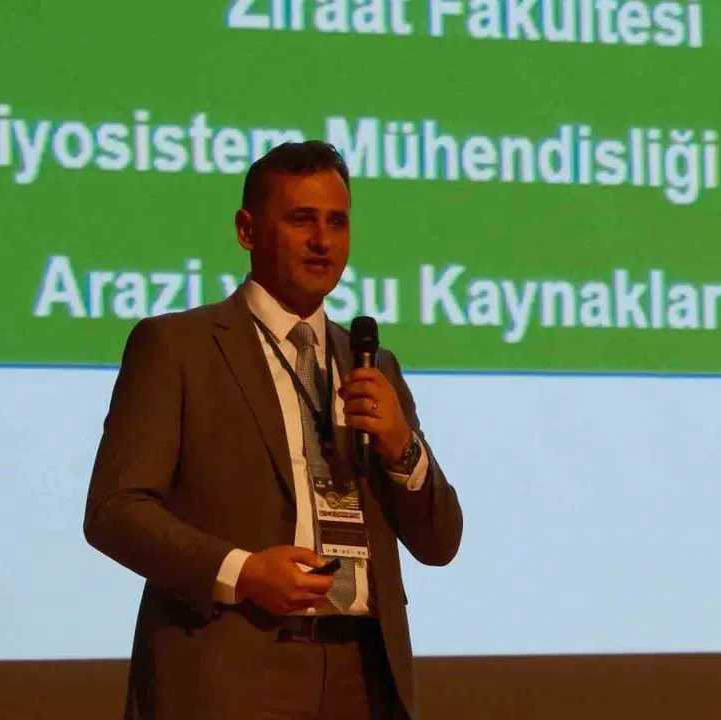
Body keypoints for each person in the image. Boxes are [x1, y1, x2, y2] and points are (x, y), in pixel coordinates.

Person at [83, 140, 463, 720]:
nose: (322, 241)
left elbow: (440, 542)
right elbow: (115, 510)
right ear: (247, 230)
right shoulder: (178, 347)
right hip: (231, 667)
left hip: (363, 674)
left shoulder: (371, 364)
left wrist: (400, 447)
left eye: (337, 222)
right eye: (301, 219)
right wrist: (243, 572)